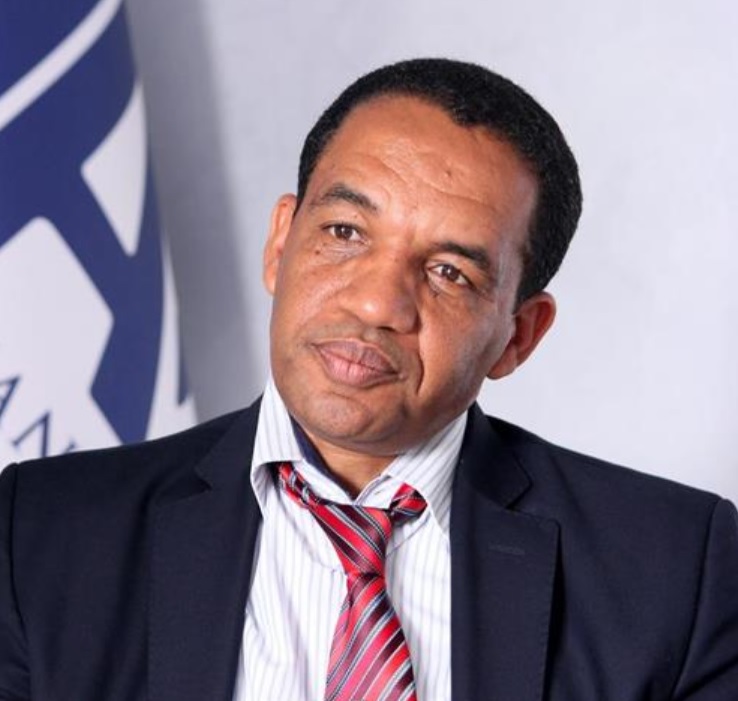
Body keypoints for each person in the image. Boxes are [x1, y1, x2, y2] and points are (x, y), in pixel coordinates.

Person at [1, 58, 736, 701]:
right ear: (281, 243)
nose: (378, 304)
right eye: (345, 233)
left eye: (449, 272)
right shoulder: (41, 533)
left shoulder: (677, 575)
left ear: (518, 335)